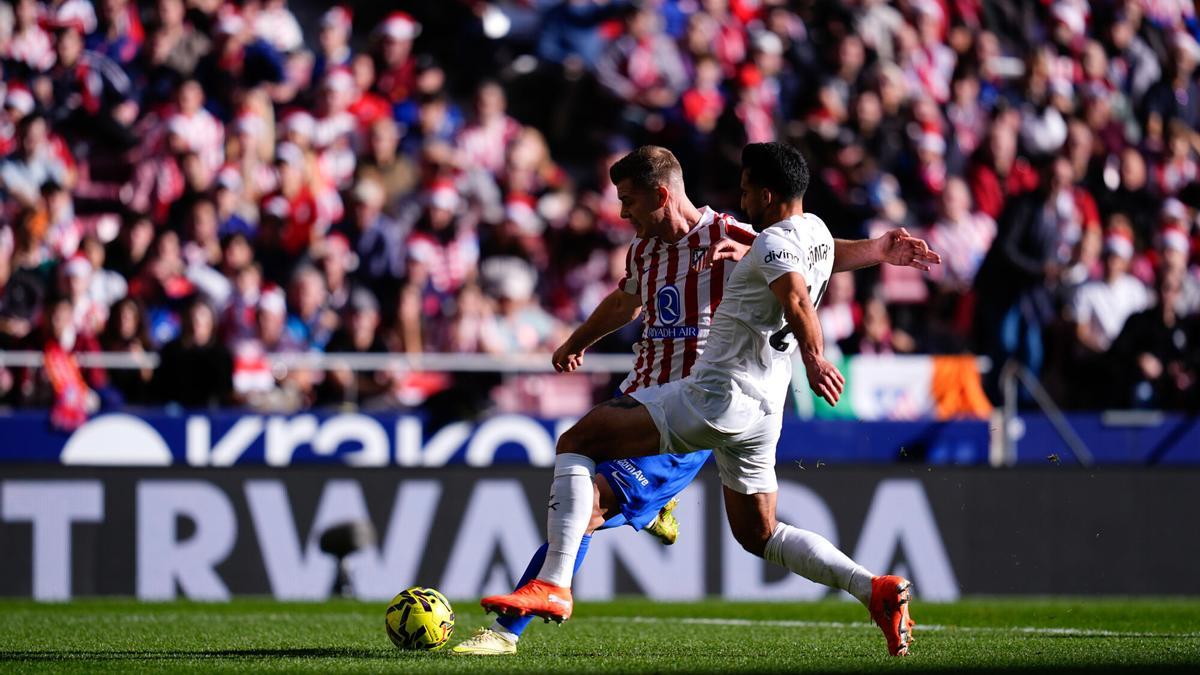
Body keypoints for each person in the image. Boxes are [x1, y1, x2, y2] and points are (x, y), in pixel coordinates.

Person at [473, 143, 940, 658]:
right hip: (665, 396)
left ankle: (507, 630)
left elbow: (794, 276)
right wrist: (577, 341)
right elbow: (628, 299)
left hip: (702, 405)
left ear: (661, 194)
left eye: (629, 201)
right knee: (757, 532)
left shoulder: (731, 233)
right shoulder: (644, 249)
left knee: (584, 480)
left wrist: (817, 340)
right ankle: (871, 588)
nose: (622, 213)